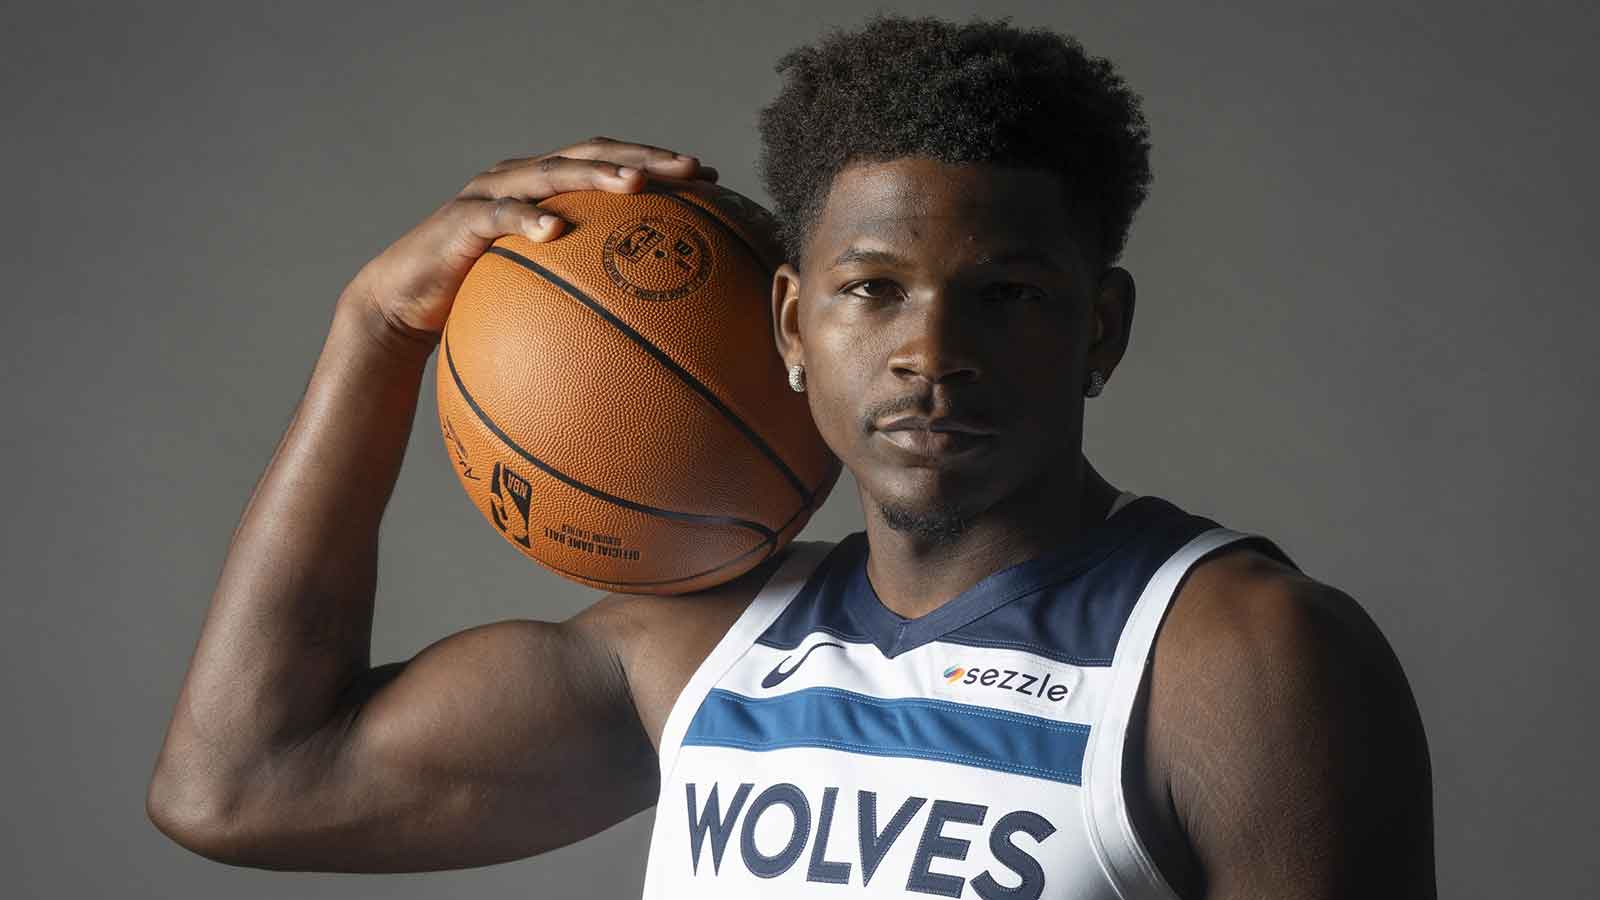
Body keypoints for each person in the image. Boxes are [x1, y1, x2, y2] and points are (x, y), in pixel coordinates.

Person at [147, 14, 1435, 898]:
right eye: (872, 290)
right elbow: (245, 786)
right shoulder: (699, 657)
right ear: (790, 328)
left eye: (1010, 294)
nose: (933, 350)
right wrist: (377, 330)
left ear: (1100, 326)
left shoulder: (1238, 662)